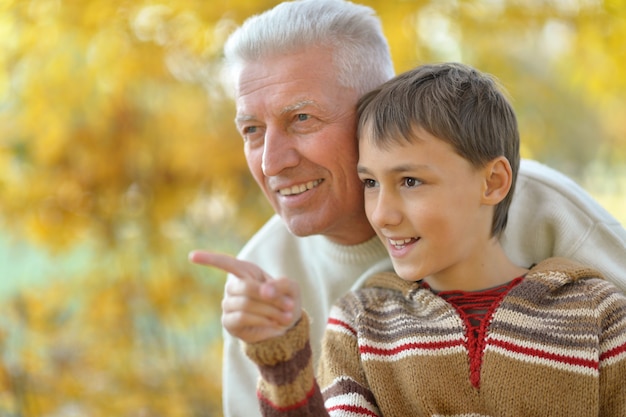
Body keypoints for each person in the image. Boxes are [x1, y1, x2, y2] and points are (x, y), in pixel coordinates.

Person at [188, 1, 626, 415]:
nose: (271, 162)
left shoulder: (544, 208)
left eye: (302, 119)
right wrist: (279, 358)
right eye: (251, 129)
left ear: (375, 111)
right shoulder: (263, 281)